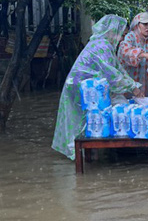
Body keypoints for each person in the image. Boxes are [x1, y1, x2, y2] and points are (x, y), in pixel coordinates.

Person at [52, 14, 137, 160]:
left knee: (83, 119)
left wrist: (133, 85)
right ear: (112, 31)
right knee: (83, 119)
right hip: (82, 89)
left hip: (86, 87)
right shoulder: (102, 46)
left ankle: (84, 153)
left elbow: (118, 68)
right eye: (121, 35)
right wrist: (133, 87)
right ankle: (79, 152)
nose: (122, 39)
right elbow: (112, 75)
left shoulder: (103, 45)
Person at [118, 12, 148, 96]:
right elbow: (124, 52)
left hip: (144, 86)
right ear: (137, 25)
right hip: (129, 84)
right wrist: (144, 55)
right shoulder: (130, 37)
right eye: (145, 24)